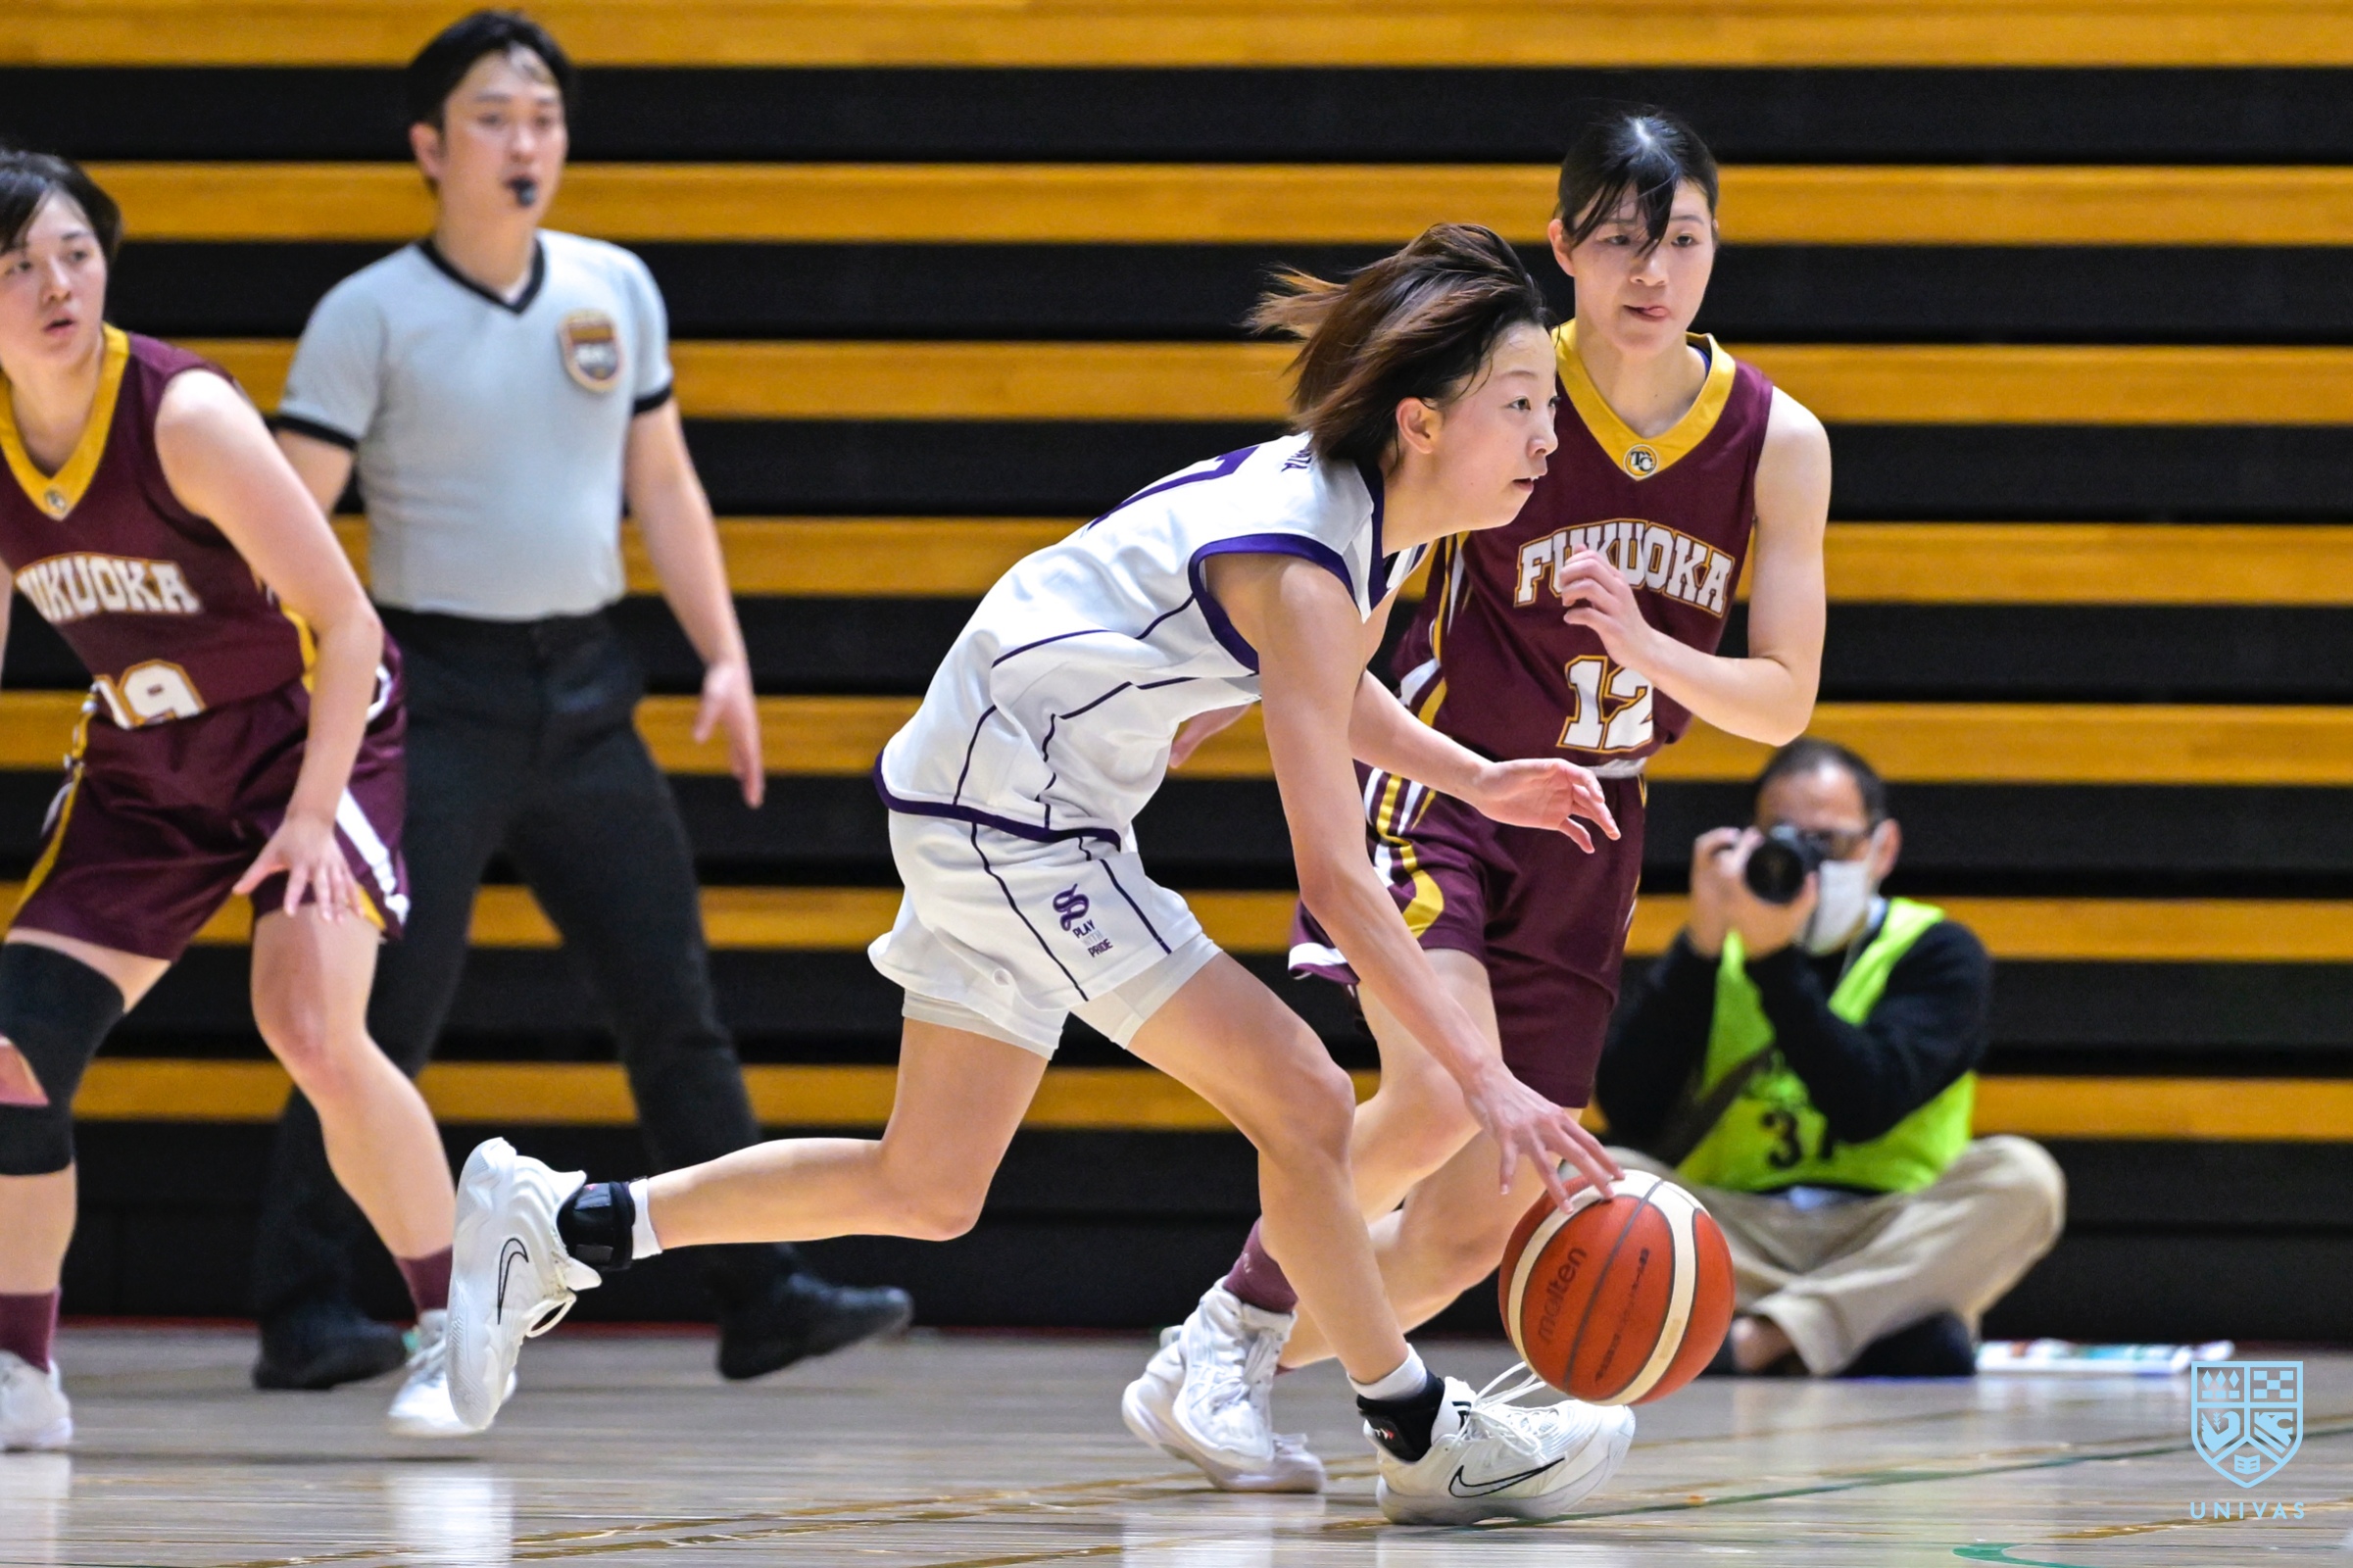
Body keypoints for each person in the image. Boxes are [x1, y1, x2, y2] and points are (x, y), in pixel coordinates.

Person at [442, 224, 1647, 1526]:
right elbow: (1338, 879)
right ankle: (1410, 1426)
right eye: (1520, 405)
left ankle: (564, 1224)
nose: (1547, 436)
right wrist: (1482, 1078)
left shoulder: (1361, 525)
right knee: (1302, 1095)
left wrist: (1476, 778)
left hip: (996, 797)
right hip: (1009, 812)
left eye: (1548, 407)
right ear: (1421, 421)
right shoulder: (1312, 557)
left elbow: (1327, 689)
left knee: (926, 1185)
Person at [1132, 107, 1832, 1489]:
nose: (1652, 272)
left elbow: (1782, 698)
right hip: (1442, 786)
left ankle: (1211, 1363)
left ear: (1715, 249)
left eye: (1683, 241)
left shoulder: (1776, 437)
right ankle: (1230, 1336)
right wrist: (1254, 678)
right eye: (1619, 241)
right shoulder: (1510, 388)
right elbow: (1350, 549)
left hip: (1591, 829)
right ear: (1563, 245)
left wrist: (1646, 646)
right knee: (1441, 1097)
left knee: (1468, 1225)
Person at [255, 10, 910, 1395]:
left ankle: (762, 1293)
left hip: (588, 691)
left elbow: (661, 481)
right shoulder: (368, 313)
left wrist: (723, 653)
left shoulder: (615, 286)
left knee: (673, 1002)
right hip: (429, 696)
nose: (525, 141)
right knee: (369, 1022)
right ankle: (307, 1308)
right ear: (430, 146)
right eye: (493, 117)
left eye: (543, 116)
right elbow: (288, 526)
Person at [0, 149, 459, 1446]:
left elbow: (348, 623)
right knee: (11, 1054)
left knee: (308, 1026)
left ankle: (458, 1318)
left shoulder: (181, 415)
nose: (58, 284)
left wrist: (311, 816)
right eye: (19, 264)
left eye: (76, 253)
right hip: (148, 765)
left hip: (304, 735)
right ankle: (22, 1375)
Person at [1598, 739, 2066, 1378]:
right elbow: (1627, 1111)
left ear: (1883, 848)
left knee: (2024, 1179)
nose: (1809, 862)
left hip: (1884, 1225)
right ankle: (1874, 1330)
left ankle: (1758, 1338)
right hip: (1742, 1231)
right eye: (1786, 841)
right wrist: (1698, 946)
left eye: (1832, 842)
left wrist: (1773, 964)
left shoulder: (1936, 951)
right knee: (1599, 1181)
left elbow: (1865, 1104)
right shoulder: (1717, 950)